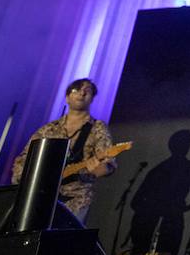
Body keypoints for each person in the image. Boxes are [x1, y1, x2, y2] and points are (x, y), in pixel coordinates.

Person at [10, 78, 116, 223]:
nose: (82, 93)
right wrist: (25, 183)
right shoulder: (49, 128)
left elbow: (108, 165)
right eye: (76, 89)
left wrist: (98, 168)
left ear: (92, 99)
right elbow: (24, 158)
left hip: (76, 198)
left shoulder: (98, 128)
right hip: (41, 196)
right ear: (67, 97)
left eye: (88, 91)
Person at [128, 129, 190, 255]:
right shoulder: (188, 168)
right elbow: (136, 202)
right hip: (166, 223)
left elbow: (136, 202)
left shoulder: (159, 169)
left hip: (163, 223)